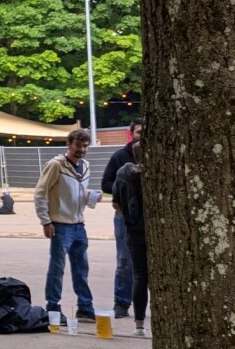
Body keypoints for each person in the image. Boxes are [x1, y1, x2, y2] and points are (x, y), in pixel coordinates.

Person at [35, 129, 100, 321]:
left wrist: (90, 196)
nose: (82, 149)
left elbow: (76, 191)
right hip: (60, 224)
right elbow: (40, 193)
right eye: (78, 145)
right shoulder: (56, 165)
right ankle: (53, 308)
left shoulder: (85, 166)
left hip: (79, 224)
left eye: (85, 146)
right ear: (69, 144)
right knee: (57, 268)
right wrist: (46, 221)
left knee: (81, 268)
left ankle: (85, 307)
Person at [101, 119, 142, 320]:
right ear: (131, 133)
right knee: (125, 261)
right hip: (124, 216)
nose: (142, 136)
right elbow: (106, 184)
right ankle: (121, 303)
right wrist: (124, 188)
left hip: (147, 216)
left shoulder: (157, 154)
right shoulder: (120, 156)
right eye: (139, 132)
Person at [112, 141, 149, 336]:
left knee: (139, 276)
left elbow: (116, 203)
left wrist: (129, 217)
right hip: (153, 231)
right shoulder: (157, 174)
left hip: (134, 231)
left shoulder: (124, 173)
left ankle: (139, 324)